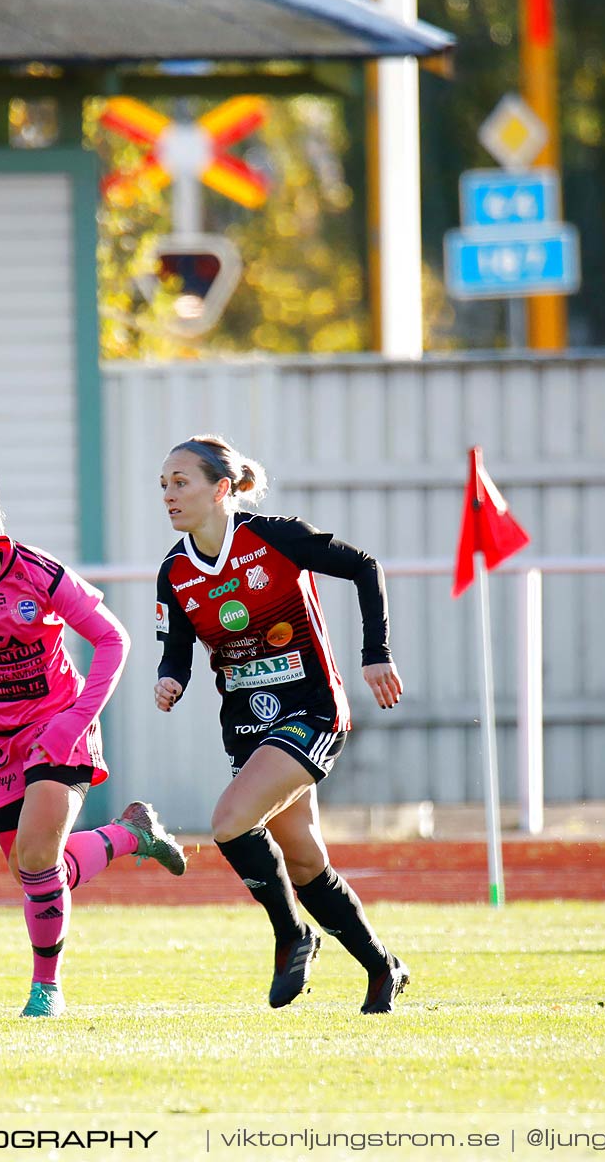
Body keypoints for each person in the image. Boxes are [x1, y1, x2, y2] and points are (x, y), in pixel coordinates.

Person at [0, 453, 188, 1017]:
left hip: (59, 727)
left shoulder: (36, 571)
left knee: (35, 860)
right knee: (33, 871)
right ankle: (131, 834)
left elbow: (114, 641)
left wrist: (73, 722)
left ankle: (45, 991)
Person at [153, 434, 411, 1014]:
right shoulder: (173, 571)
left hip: (312, 711)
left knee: (227, 822)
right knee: (303, 860)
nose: (168, 495)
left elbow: (365, 567)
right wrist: (170, 679)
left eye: (180, 482)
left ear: (222, 488)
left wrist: (377, 653)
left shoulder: (274, 536)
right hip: (248, 726)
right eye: (163, 485)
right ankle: (382, 966)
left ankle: (292, 934)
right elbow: (176, 647)